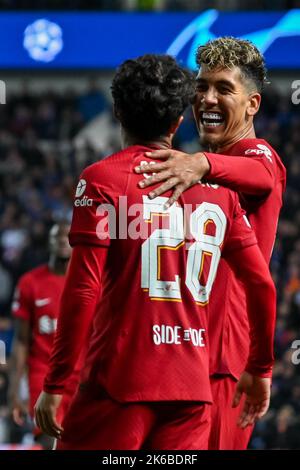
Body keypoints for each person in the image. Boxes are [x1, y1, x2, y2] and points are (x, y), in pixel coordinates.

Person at [34, 54, 276, 450]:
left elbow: (81, 290)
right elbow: (262, 284)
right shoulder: (221, 196)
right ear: (179, 121)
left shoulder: (101, 181)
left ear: (117, 112)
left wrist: (57, 382)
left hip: (117, 385)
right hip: (191, 395)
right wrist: (261, 367)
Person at [135, 37, 286, 450]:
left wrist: (202, 162)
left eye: (223, 88)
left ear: (252, 104)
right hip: (178, 350)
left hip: (223, 361)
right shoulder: (191, 166)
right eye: (201, 88)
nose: (207, 99)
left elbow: (263, 177)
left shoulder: (257, 154)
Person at [8, 222, 79, 449]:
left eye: (67, 236)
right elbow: (20, 341)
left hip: (81, 377)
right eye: (56, 236)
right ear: (48, 242)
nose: (62, 240)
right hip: (43, 375)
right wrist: (13, 391)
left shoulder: (90, 281)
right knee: (49, 439)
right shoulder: (30, 283)